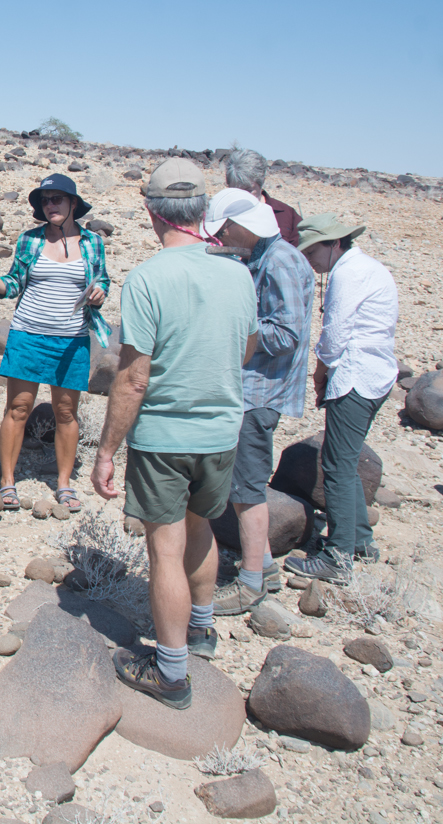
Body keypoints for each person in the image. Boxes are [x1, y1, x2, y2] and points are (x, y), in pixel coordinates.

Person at [92, 158, 257, 710]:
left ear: (149, 211)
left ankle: (170, 672)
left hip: (165, 434)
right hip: (220, 429)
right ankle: (203, 630)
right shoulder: (239, 272)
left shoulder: (148, 279)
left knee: (164, 549)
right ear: (205, 209)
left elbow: (133, 377)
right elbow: (247, 347)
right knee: (202, 527)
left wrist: (107, 450)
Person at [201, 189, 315, 615]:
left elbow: (287, 334)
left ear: (245, 225)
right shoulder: (262, 257)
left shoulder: (281, 261)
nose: (223, 235)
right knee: (241, 482)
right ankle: (263, 564)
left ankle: (250, 584)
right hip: (249, 387)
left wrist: (232, 329)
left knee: (247, 487)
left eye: (226, 228)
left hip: (259, 390)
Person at [0, 173, 111, 511]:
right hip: (27, 335)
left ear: (73, 204)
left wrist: (99, 292)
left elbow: (102, 281)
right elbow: (15, 282)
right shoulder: (29, 240)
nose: (51, 205)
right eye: (45, 200)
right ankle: (7, 481)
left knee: (66, 412)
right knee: (18, 409)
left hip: (72, 340)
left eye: (57, 199)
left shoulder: (93, 242)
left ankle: (63, 484)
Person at [284, 213, 398, 584]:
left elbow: (335, 334)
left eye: (313, 251)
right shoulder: (366, 267)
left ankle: (338, 556)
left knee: (336, 467)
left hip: (355, 377)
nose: (309, 259)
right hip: (375, 374)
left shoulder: (348, 274)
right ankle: (360, 540)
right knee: (343, 463)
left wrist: (320, 373)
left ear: (335, 243)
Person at [225, 148, 301, 247]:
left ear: (262, 182)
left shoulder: (286, 215)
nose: (242, 197)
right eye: (236, 191)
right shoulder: (220, 216)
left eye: (248, 191)